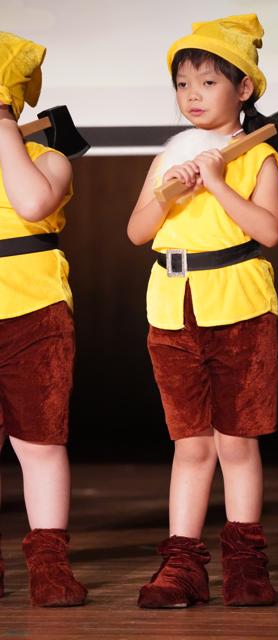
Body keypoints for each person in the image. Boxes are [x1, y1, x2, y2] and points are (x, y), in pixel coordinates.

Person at [127, 14, 278, 608]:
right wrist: (168, 191)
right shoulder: (171, 155)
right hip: (173, 311)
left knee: (237, 443)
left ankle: (246, 564)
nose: (193, 95)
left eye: (208, 82)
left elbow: (269, 231)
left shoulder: (257, 156)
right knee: (191, 445)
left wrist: (217, 183)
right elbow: (137, 232)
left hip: (240, 307)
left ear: (244, 88)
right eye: (183, 84)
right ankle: (183, 565)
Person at [0, 32, 87, 607]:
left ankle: (49, 561)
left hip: (34, 313)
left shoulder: (47, 159)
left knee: (39, 442)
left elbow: (31, 204)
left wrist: (4, 128)